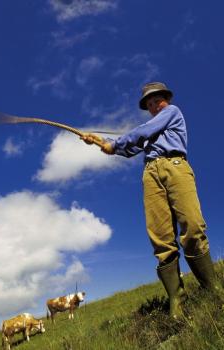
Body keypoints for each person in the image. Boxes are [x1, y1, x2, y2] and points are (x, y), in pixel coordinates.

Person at [82, 82, 222, 318]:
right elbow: (129, 149)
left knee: (193, 226)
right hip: (150, 174)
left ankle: (212, 289)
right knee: (161, 237)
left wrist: (114, 143)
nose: (154, 106)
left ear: (166, 99)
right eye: (149, 104)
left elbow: (140, 133)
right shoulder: (150, 131)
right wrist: (100, 143)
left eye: (157, 100)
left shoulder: (171, 113)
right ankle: (177, 299)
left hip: (175, 166)